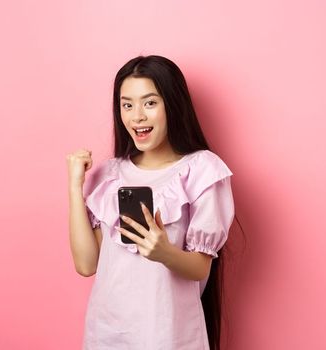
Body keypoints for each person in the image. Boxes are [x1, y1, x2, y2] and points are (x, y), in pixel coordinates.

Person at [66, 55, 235, 349]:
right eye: (127, 105)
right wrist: (74, 187)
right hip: (107, 333)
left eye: (150, 103)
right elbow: (86, 264)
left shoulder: (202, 170)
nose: (137, 116)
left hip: (169, 335)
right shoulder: (110, 174)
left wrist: (163, 252)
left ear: (172, 104)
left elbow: (200, 268)